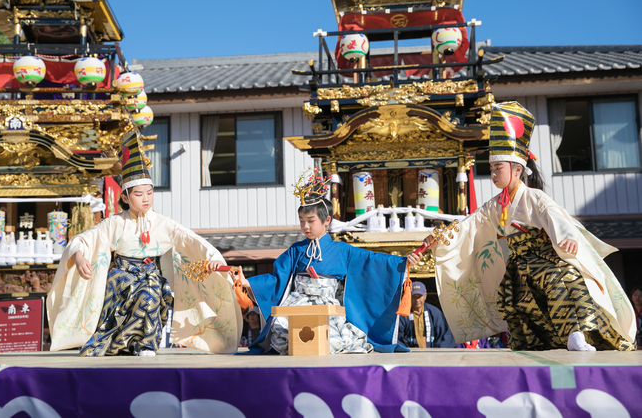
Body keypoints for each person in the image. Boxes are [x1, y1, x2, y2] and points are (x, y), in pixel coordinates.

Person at [409, 102, 636, 352]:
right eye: (492, 168)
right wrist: (440, 238)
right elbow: (468, 225)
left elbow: (555, 216)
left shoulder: (534, 197)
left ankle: (575, 334)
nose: (493, 173)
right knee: (515, 302)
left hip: (545, 257)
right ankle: (541, 342)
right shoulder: (494, 206)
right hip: (516, 265)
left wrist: (566, 237)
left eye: (499, 168)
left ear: (517, 170)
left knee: (561, 281)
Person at [47, 131, 243, 356]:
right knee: (115, 304)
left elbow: (191, 240)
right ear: (125, 197)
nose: (146, 198)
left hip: (150, 273)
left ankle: (146, 344)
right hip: (120, 275)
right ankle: (117, 344)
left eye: (150, 193)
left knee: (149, 295)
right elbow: (84, 239)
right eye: (139, 194)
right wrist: (80, 256)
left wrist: (212, 261)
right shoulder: (115, 223)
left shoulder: (163, 223)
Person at [237, 170, 410, 354]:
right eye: (302, 221)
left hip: (327, 304)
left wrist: (403, 263)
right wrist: (248, 282)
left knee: (333, 341)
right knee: (282, 334)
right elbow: (277, 278)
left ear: (327, 220)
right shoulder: (296, 250)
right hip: (297, 304)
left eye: (310, 221)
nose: (305, 226)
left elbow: (372, 262)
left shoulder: (343, 250)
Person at [398, 281, 456, 348]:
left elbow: (445, 335)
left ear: (425, 295)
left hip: (432, 353)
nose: (417, 300)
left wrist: (436, 352)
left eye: (419, 296)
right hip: (410, 353)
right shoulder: (403, 314)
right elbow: (398, 337)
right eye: (414, 296)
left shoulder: (435, 312)